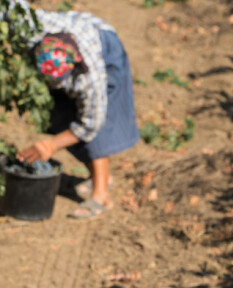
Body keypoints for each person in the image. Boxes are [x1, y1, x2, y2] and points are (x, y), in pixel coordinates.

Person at [14, 2, 139, 219]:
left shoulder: (90, 77)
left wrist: (51, 145)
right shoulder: (33, 30)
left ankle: (101, 195)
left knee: (98, 126)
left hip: (105, 46)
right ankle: (99, 176)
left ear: (74, 67)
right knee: (61, 112)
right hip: (77, 33)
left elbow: (90, 124)